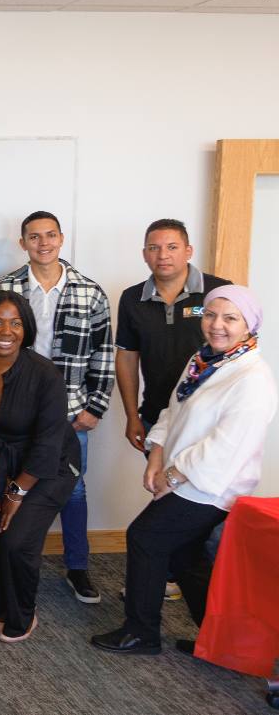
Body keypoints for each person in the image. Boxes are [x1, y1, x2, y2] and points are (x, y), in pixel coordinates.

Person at [92, 285, 277, 656]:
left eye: (230, 318)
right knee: (187, 560)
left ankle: (141, 633)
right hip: (182, 477)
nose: (217, 325)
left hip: (210, 486)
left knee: (146, 538)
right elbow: (172, 411)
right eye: (210, 315)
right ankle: (224, 642)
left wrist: (171, 476)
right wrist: (156, 454)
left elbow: (224, 448)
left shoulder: (252, 378)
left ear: (249, 326)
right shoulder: (204, 361)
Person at [0, 211, 113, 605]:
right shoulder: (5, 289)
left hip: (71, 412)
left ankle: (77, 567)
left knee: (73, 492)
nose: (42, 243)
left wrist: (95, 406)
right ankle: (13, 564)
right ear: (22, 242)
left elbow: (104, 353)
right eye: (33, 237)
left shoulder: (89, 292)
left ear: (61, 238)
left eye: (49, 236)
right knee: (13, 487)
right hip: (16, 414)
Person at [115, 218, 230, 601]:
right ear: (144, 252)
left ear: (188, 250)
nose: (162, 255)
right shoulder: (133, 298)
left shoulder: (217, 291)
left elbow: (235, 347)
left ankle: (217, 593)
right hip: (157, 417)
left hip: (209, 421)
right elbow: (127, 358)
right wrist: (132, 414)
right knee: (165, 496)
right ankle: (166, 576)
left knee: (208, 509)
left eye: (171, 247)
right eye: (153, 247)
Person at [0, 291, 80, 643]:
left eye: (15, 322)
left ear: (26, 328)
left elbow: (49, 442)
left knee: (15, 540)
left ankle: (22, 613)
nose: (5, 330)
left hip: (48, 467)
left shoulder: (45, 374)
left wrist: (18, 491)